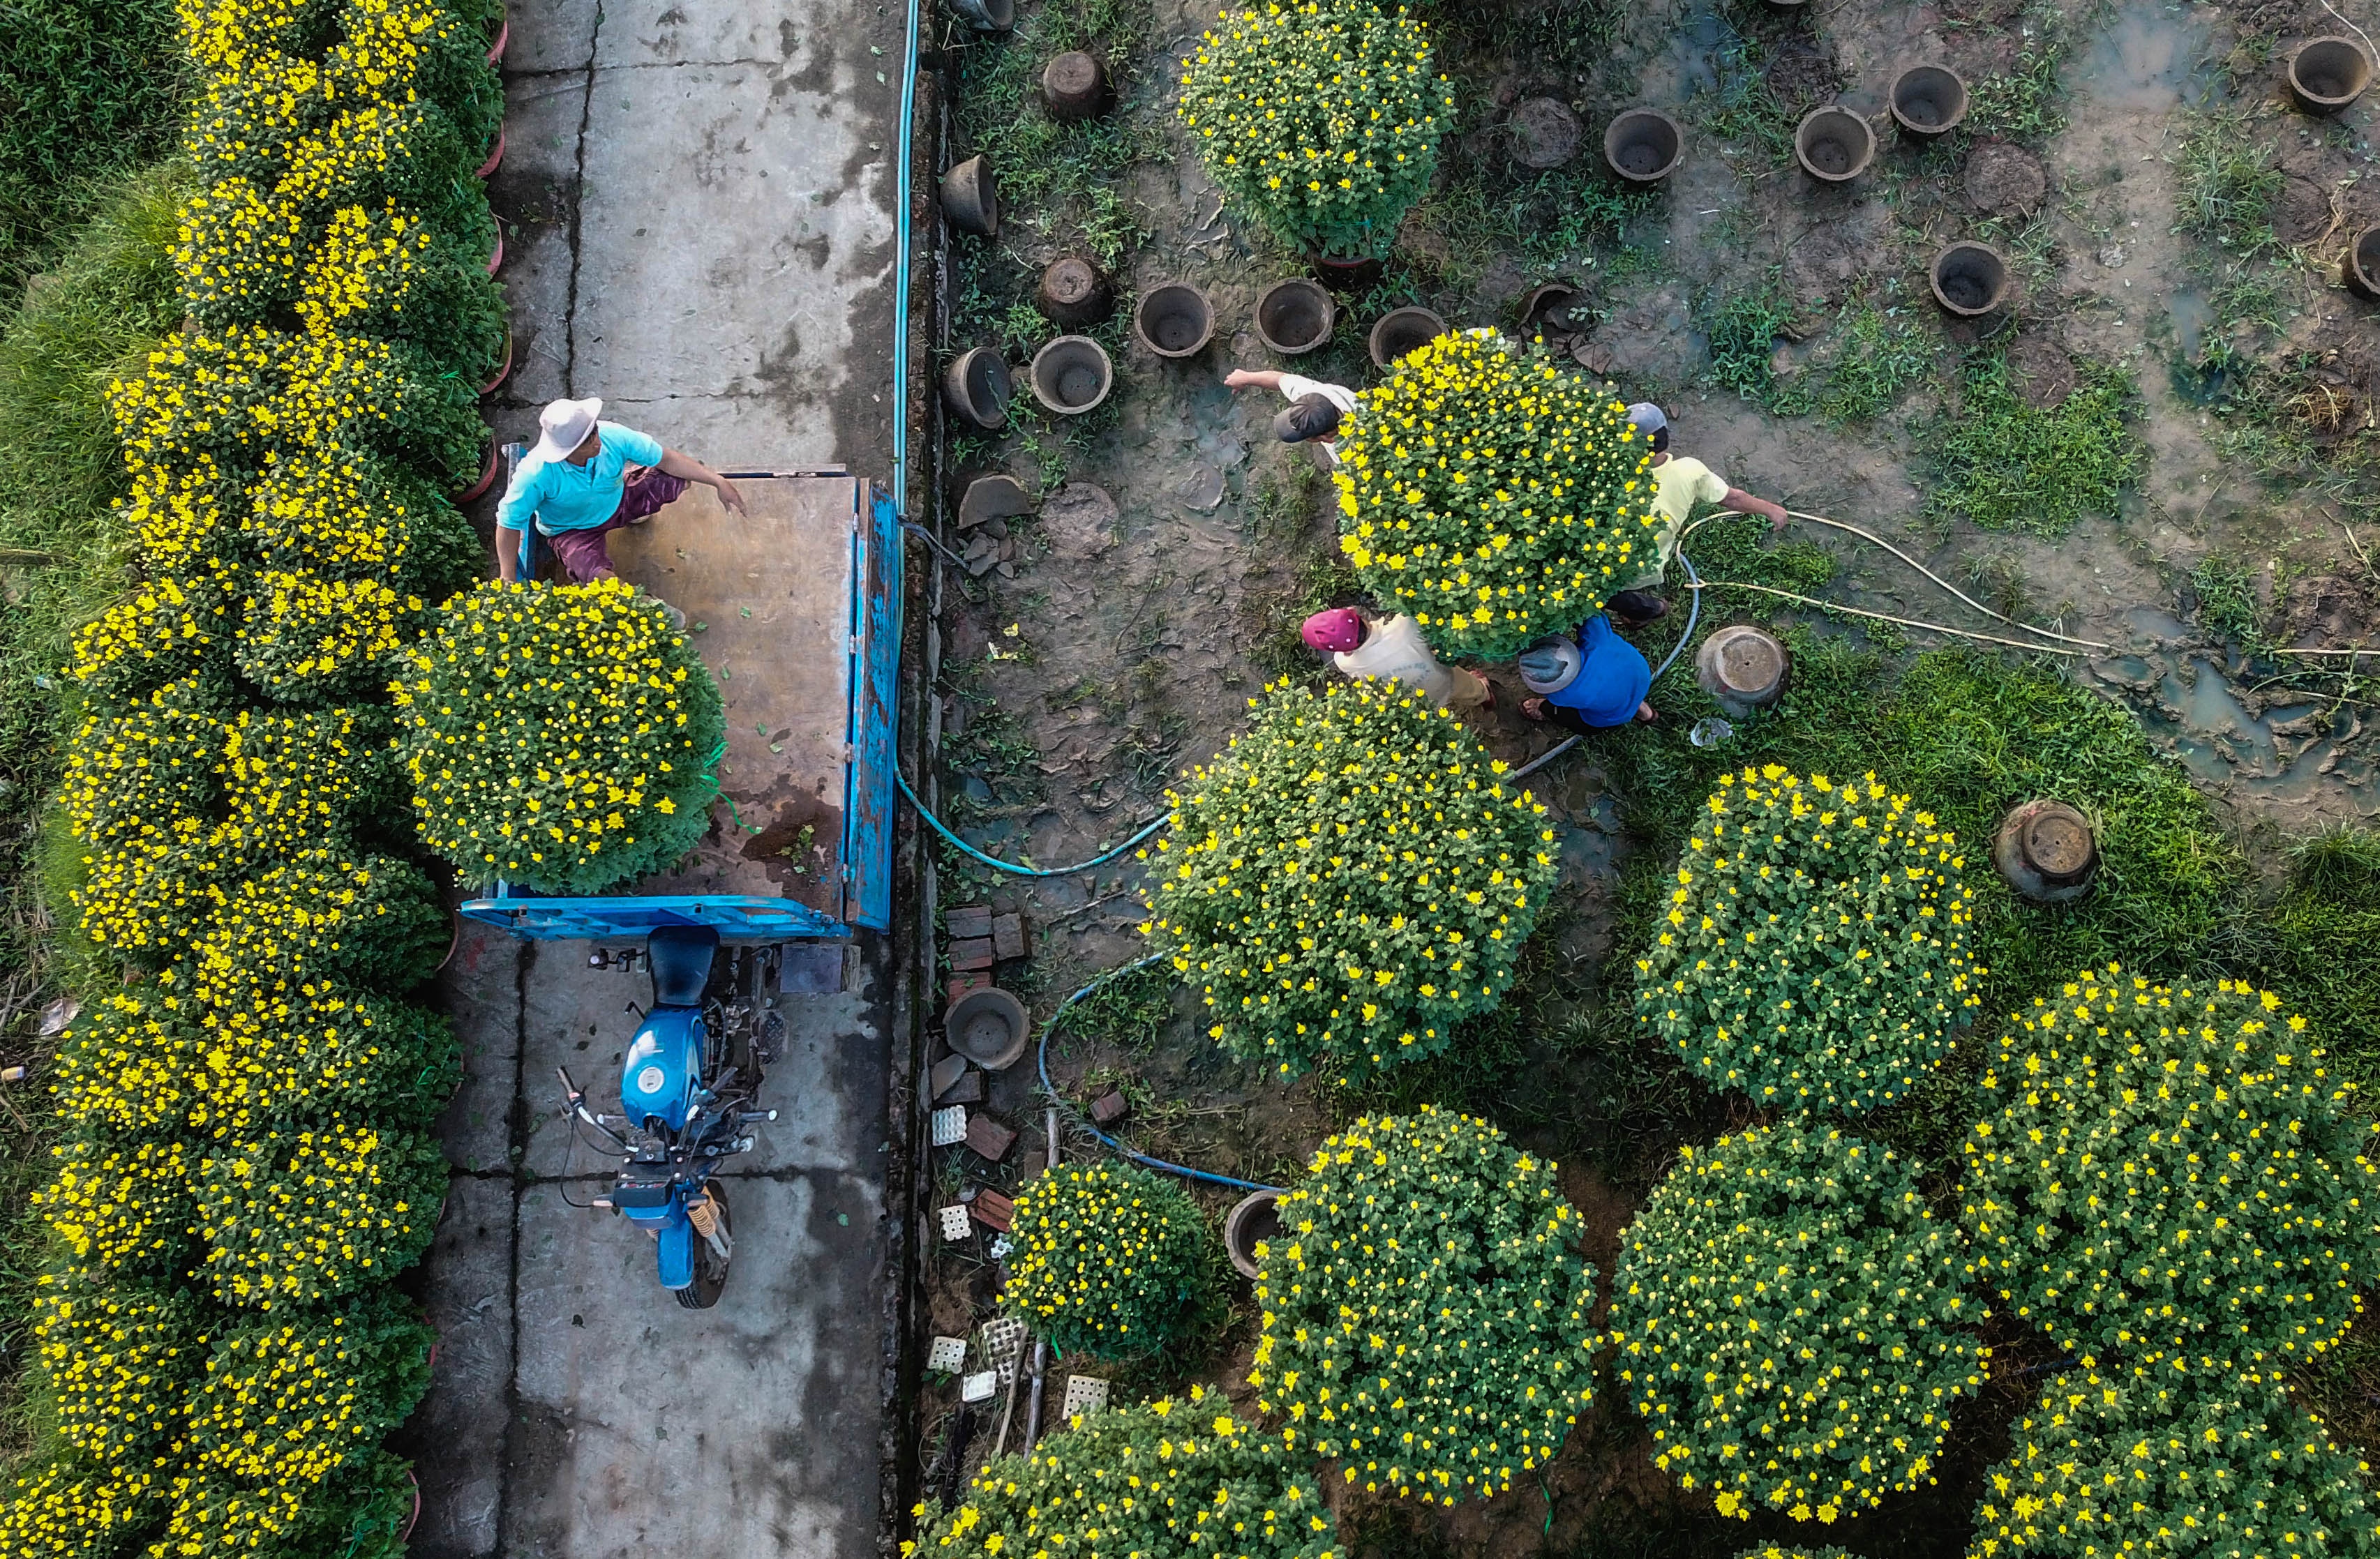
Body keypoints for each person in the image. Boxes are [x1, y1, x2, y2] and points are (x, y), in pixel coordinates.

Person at [495, 397, 747, 585]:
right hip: (572, 531)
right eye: (586, 442)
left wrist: (717, 481)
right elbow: (509, 522)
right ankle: (648, 609)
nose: (596, 441)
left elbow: (667, 459)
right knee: (600, 580)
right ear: (566, 451)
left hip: (619, 500)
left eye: (593, 432)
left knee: (679, 476)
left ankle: (637, 511)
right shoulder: (535, 474)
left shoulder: (612, 436)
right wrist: (507, 576)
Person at [1615, 402, 1789, 594]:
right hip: (1646, 570)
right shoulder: (1690, 470)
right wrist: (1771, 509)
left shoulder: (1615, 475)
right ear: (1666, 436)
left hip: (1606, 564)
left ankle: (1643, 609)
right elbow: (1733, 498)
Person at [1517, 591, 1670, 730]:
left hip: (1610, 716)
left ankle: (1540, 708)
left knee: (1559, 712)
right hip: (1640, 676)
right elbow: (1590, 612)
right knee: (1620, 692)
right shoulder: (1597, 638)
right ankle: (1644, 711)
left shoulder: (1563, 695)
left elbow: (1559, 699)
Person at [1301, 606, 1494, 711]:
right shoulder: (1405, 626)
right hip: (1443, 677)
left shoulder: (1347, 663)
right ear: (1359, 617)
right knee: (1470, 688)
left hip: (1414, 698)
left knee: (1429, 711)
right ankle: (1485, 696)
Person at [1222, 368, 1357, 468]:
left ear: (1328, 438)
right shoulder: (1311, 394)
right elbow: (1279, 379)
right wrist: (1245, 377)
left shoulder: (1350, 453)